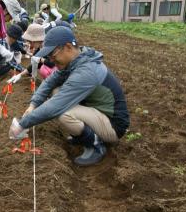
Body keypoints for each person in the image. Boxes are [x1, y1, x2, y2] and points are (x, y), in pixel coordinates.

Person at [9, 27, 130, 166]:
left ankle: (96, 145)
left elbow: (56, 106)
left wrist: (22, 124)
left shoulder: (86, 71)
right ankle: (83, 134)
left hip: (114, 125)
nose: (51, 60)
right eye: (49, 57)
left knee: (64, 113)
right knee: (56, 90)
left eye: (53, 55)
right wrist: (33, 105)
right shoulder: (76, 60)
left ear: (67, 47)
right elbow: (50, 81)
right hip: (96, 112)